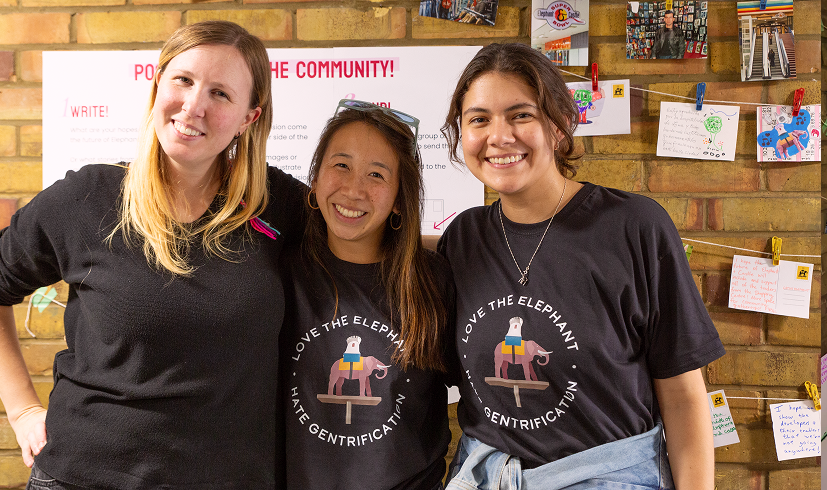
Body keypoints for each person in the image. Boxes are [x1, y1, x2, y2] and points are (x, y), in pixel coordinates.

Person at [0, 21, 307, 489]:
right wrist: (22, 410)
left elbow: (360, 243)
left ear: (249, 117)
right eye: (183, 80)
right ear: (158, 84)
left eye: (220, 93)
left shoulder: (277, 204)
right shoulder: (88, 197)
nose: (194, 106)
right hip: (83, 477)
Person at [437, 43, 723, 489]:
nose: (499, 136)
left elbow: (684, 398)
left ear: (558, 125)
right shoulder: (463, 239)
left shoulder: (636, 227)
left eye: (520, 115)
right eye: (479, 120)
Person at [281, 101, 456, 489]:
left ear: (399, 200)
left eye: (376, 174)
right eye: (341, 165)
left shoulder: (433, 282)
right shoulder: (279, 275)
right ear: (315, 179)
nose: (353, 189)